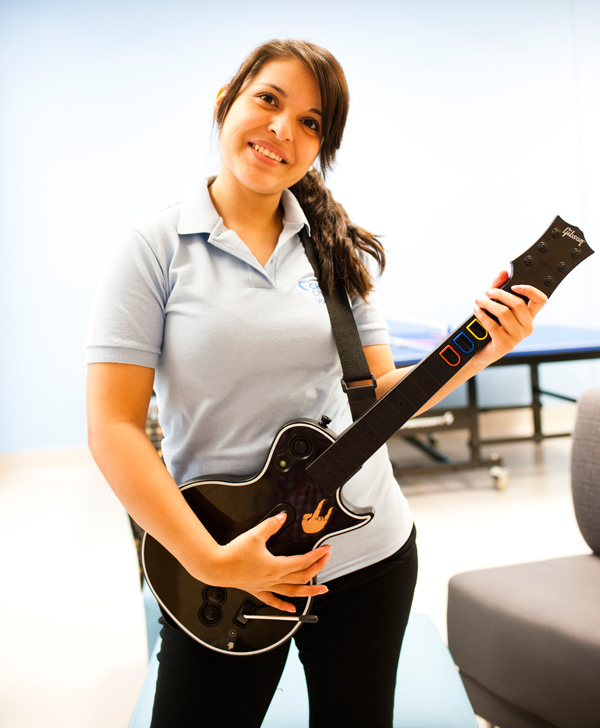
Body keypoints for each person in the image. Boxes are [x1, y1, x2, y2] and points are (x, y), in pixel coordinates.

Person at [86, 39, 547, 728]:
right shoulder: (153, 248)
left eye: (311, 123)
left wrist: (482, 351)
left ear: (320, 149)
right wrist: (212, 561)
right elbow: (114, 427)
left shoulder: (339, 250)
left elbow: (376, 399)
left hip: (366, 554)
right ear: (226, 102)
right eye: (269, 100)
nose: (283, 130)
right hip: (226, 559)